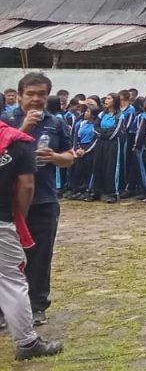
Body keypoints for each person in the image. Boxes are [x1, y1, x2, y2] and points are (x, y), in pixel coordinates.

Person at [1, 73, 74, 328]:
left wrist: (55, 156)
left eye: (41, 94)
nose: (35, 99)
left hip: (43, 198)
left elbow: (70, 156)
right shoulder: (5, 120)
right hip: (7, 201)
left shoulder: (56, 123)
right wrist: (24, 131)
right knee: (6, 258)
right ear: (19, 94)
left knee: (40, 255)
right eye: (30, 94)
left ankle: (36, 305)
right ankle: (4, 310)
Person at [0, 115, 63, 360]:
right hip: (3, 218)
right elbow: (26, 185)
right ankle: (27, 343)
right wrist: (21, 217)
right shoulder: (20, 142)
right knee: (13, 281)